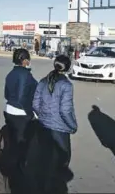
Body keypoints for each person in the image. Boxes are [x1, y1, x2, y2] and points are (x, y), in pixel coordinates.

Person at [32, 55, 77, 193]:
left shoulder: (43, 81)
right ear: (68, 67)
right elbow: (65, 110)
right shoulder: (66, 85)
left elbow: (35, 104)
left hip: (44, 127)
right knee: (61, 164)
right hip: (60, 130)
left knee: (44, 161)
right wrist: (73, 126)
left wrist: (44, 116)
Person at [3, 48, 38, 192]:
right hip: (21, 114)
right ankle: (18, 178)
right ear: (25, 60)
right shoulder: (25, 75)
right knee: (22, 146)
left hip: (9, 110)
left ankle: (13, 172)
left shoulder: (10, 74)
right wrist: (31, 114)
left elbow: (7, 94)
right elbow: (22, 98)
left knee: (12, 144)